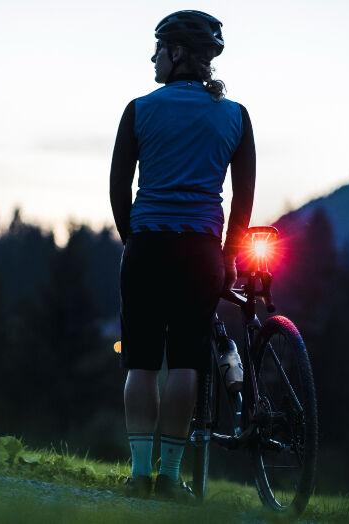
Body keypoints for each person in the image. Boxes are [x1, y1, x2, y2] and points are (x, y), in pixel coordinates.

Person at [109, 10, 255, 502]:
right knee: (188, 362)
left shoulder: (138, 109)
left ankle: (139, 474)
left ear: (175, 54)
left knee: (142, 364)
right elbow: (243, 198)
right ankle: (170, 478)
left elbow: (118, 188)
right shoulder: (235, 116)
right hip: (200, 253)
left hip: (147, 245)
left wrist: (134, 240)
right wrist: (230, 253)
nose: (152, 56)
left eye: (157, 48)